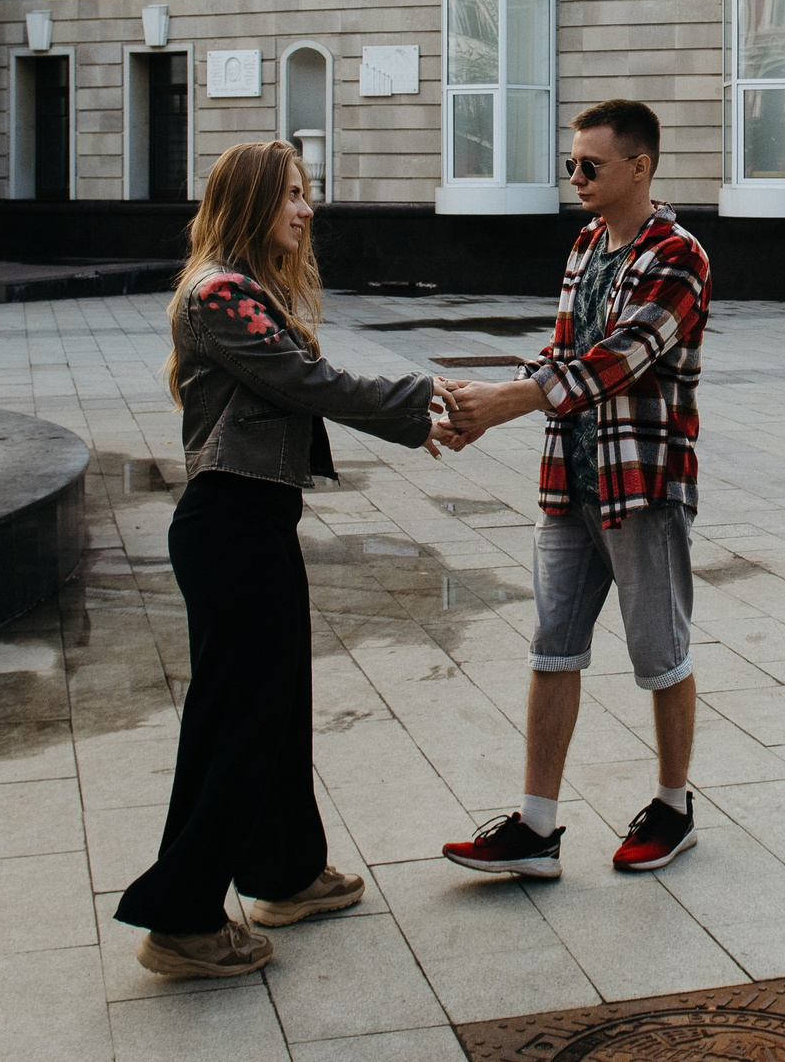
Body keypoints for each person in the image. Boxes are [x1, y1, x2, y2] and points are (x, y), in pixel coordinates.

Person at [116, 139, 464, 978]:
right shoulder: (220, 294)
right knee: (238, 717)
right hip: (229, 523)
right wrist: (427, 400)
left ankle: (286, 871)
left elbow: (306, 381)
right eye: (293, 195)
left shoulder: (248, 289)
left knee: (276, 705)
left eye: (309, 194)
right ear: (249, 201)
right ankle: (184, 917)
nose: (307, 210)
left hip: (255, 519)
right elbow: (313, 383)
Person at [440, 98, 711, 879]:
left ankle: (673, 805)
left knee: (660, 653)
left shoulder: (679, 254)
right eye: (571, 164)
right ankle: (536, 828)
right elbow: (565, 351)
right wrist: (488, 410)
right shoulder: (588, 244)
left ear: (640, 167)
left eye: (589, 165)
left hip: (641, 486)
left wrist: (512, 399)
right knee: (552, 648)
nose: (576, 177)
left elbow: (620, 358)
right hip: (570, 480)